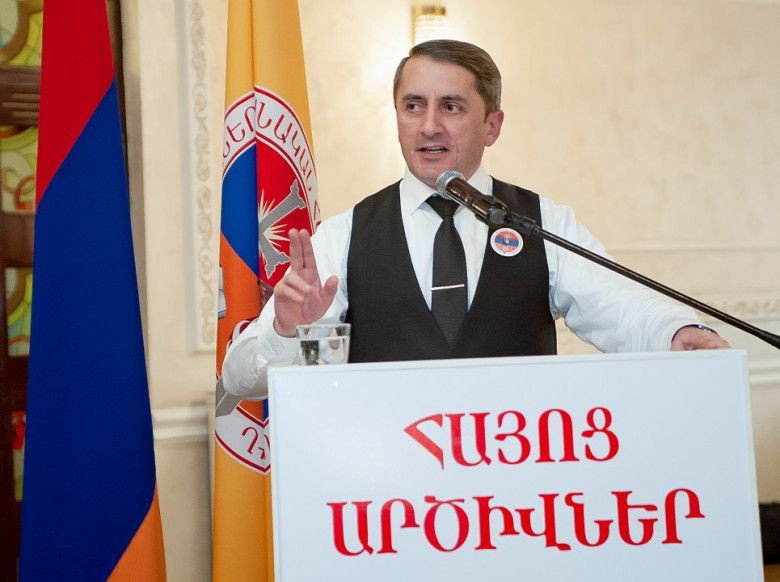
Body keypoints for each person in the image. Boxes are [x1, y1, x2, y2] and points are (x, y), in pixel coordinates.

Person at [222, 39, 728, 399]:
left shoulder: (541, 222)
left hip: (515, 493)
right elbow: (240, 380)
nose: (429, 126)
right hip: (388, 497)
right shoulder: (345, 235)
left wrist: (675, 332)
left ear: (492, 126)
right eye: (413, 106)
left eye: (452, 106)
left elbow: (619, 306)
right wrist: (286, 331)